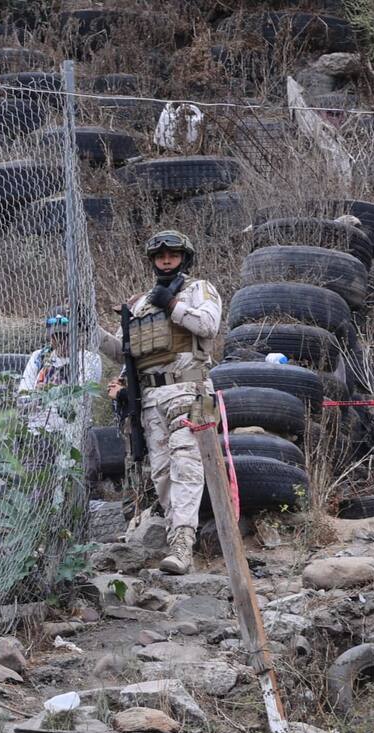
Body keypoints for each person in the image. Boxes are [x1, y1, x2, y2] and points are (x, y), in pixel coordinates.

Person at [106, 230, 222, 575]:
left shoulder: (199, 290)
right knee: (162, 473)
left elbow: (208, 325)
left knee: (187, 463)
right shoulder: (140, 304)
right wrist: (88, 331)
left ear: (183, 258)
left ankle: (183, 546)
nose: (166, 260)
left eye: (172, 254)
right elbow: (120, 350)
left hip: (189, 389)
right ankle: (178, 538)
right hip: (151, 398)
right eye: (160, 256)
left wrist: (171, 304)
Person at [17, 307, 103, 432]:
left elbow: (81, 399)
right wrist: (38, 397)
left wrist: (47, 393)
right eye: (55, 336)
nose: (60, 341)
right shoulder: (39, 357)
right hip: (35, 431)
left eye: (65, 336)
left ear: (78, 334)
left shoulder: (89, 359)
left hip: (71, 432)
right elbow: (22, 398)